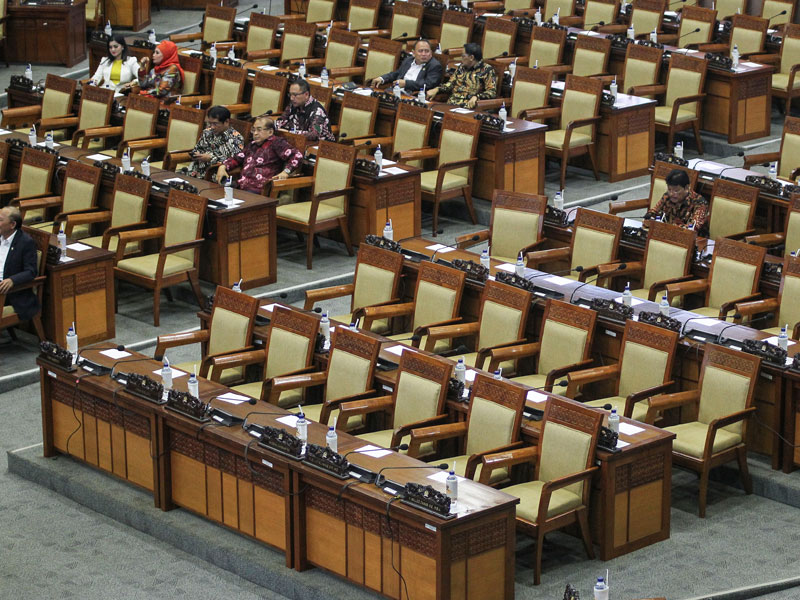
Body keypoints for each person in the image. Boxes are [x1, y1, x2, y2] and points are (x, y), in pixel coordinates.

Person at [217, 116, 304, 194]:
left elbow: (297, 156)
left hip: (260, 189)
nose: (255, 133)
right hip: (241, 185)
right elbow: (237, 158)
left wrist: (286, 172)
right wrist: (222, 167)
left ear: (270, 132)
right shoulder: (252, 144)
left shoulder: (277, 143)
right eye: (253, 130)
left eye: (259, 130)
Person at [426, 43, 497, 109]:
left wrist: (477, 97)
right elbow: (451, 83)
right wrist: (437, 89)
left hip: (469, 107)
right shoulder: (461, 67)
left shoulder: (487, 70)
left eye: (463, 56)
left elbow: (491, 92)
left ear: (471, 57)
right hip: (451, 104)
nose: (461, 58)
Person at [0, 207, 40, 324]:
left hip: (9, 292)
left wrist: (12, 280)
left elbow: (31, 271)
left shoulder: (25, 242)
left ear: (12, 225)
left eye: (1, 220)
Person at [644, 169, 709, 237]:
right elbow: (654, 211)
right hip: (667, 236)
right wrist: (649, 216)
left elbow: (693, 228)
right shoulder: (667, 196)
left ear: (686, 188)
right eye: (669, 189)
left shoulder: (700, 203)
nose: (671, 194)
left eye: (676, 190)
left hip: (693, 242)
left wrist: (668, 226)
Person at [187, 106, 245, 179]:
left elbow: (234, 161)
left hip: (215, 174)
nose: (212, 127)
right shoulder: (207, 132)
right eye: (210, 123)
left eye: (215, 124)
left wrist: (211, 158)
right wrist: (196, 154)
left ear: (226, 122)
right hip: (196, 171)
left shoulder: (236, 138)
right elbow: (197, 149)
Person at [371, 38, 443, 93]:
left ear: (431, 53)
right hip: (395, 90)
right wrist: (382, 78)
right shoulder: (408, 60)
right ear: (413, 53)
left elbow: (428, 84)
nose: (424, 54)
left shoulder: (435, 66)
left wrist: (406, 83)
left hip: (413, 94)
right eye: (420, 51)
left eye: (427, 51)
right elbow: (397, 73)